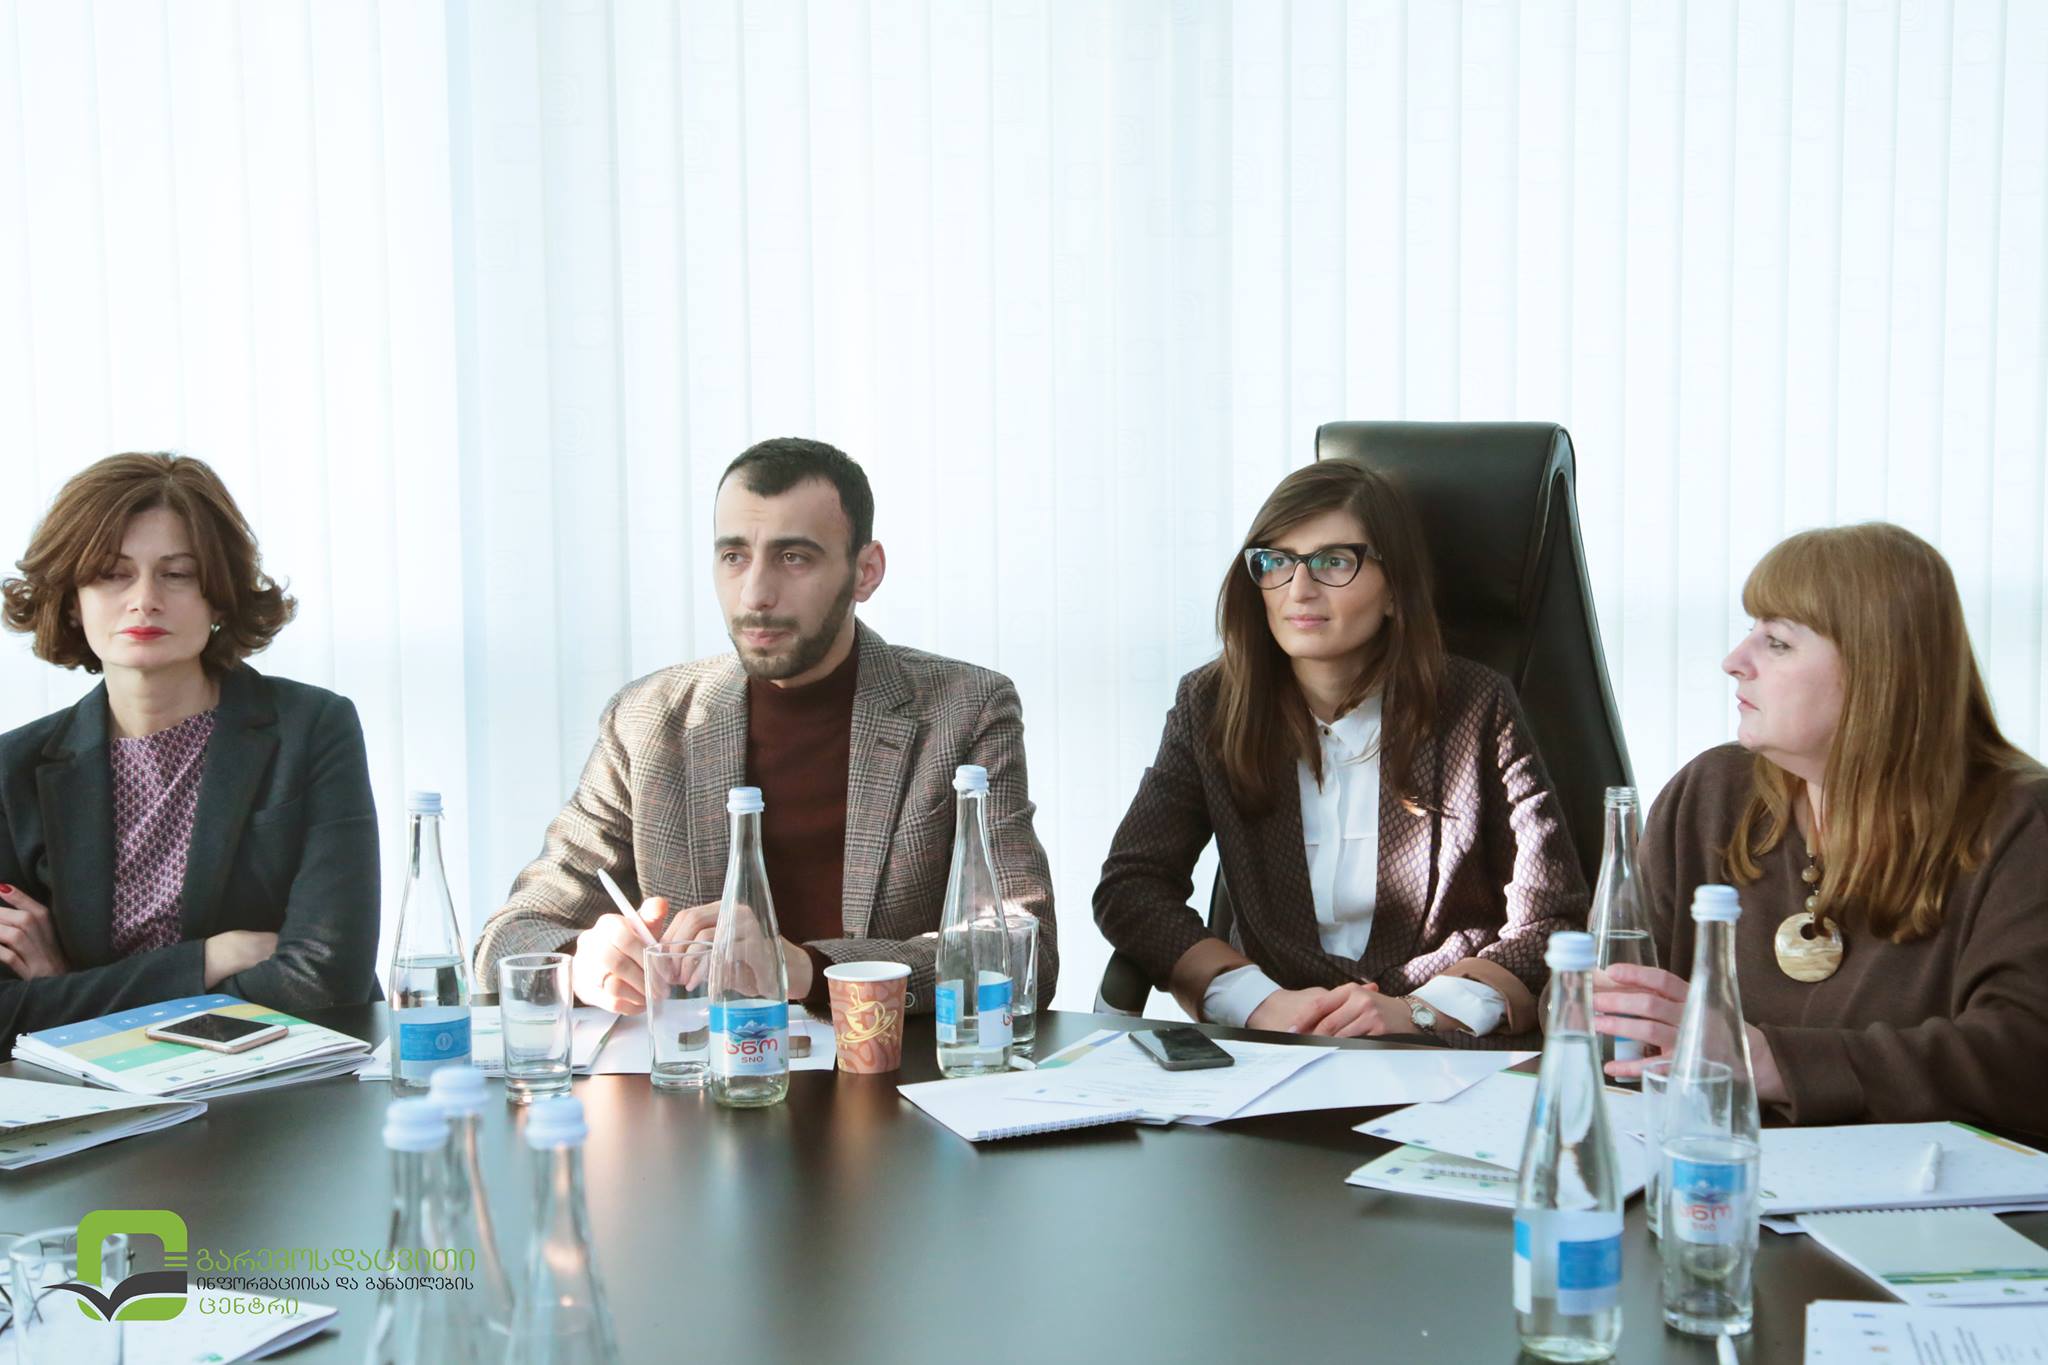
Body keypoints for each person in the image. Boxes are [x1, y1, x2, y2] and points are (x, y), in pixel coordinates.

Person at [474, 437, 1057, 1015]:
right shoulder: (647, 721)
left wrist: (809, 968)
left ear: (866, 571)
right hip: (699, 1067)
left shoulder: (965, 710)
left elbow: (1021, 950)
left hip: (887, 1066)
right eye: (734, 557)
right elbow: (511, 933)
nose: (755, 595)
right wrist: (579, 962)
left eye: (793, 557)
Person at [1093, 461, 1587, 1038]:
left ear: (1395, 589)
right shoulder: (1211, 705)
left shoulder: (1477, 705)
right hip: (1274, 1044)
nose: (1298, 589)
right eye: (1276, 562)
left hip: (1437, 1050)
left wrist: (1419, 1012)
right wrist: (1255, 1000)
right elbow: (1133, 885)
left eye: (1333, 561)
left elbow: (1553, 919)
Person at [1593, 523, 2048, 1134]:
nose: (1734, 662)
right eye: (1751, 631)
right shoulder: (1711, 792)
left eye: (1777, 642)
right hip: (1706, 1164)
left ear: (1878, 670)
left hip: (1919, 1189)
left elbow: (2025, 1058)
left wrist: (1774, 1063)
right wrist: (1600, 1002)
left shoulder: (2022, 821)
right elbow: (1606, 995)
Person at [0, 453, 379, 1049]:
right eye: (112, 574)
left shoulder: (312, 727)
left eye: (176, 574)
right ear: (72, 598)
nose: (144, 599)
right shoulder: (13, 770)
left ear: (219, 597)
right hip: (85, 1098)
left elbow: (325, 982)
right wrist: (204, 961)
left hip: (285, 1085)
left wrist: (70, 993)